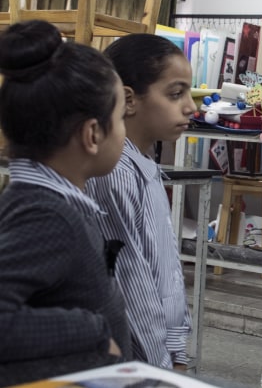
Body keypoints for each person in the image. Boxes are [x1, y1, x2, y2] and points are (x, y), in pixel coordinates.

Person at [0, 20, 130, 384]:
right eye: (120, 118)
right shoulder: (46, 213)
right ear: (92, 134)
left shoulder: (44, 201)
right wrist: (91, 331)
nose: (123, 131)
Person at [87, 33, 196, 369]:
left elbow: (165, 270)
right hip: (139, 359)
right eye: (176, 94)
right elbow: (134, 289)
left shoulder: (143, 163)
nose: (191, 106)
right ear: (129, 100)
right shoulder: (115, 173)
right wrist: (160, 366)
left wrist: (176, 345)